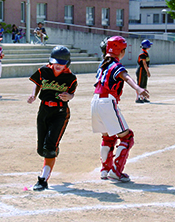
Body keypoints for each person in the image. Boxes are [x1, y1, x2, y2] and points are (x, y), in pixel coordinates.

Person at [91, 36, 149, 182]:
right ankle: (116, 171)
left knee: (108, 137)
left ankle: (105, 169)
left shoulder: (103, 64)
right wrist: (138, 88)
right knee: (127, 137)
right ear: (120, 51)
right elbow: (126, 77)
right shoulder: (116, 65)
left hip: (95, 101)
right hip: (107, 102)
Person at [27, 45, 78, 191]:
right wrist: (33, 95)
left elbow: (71, 94)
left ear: (67, 64)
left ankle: (43, 180)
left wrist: (69, 96)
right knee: (41, 150)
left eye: (61, 64)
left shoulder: (71, 78)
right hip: (44, 110)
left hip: (60, 112)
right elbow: (38, 84)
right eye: (56, 62)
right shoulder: (43, 70)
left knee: (49, 148)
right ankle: (52, 148)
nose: (58, 66)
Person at [135, 39, 153, 103]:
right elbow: (144, 63)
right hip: (141, 70)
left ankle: (143, 97)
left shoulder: (145, 53)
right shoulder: (142, 54)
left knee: (144, 84)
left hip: (144, 70)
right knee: (140, 84)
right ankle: (138, 98)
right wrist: (148, 71)